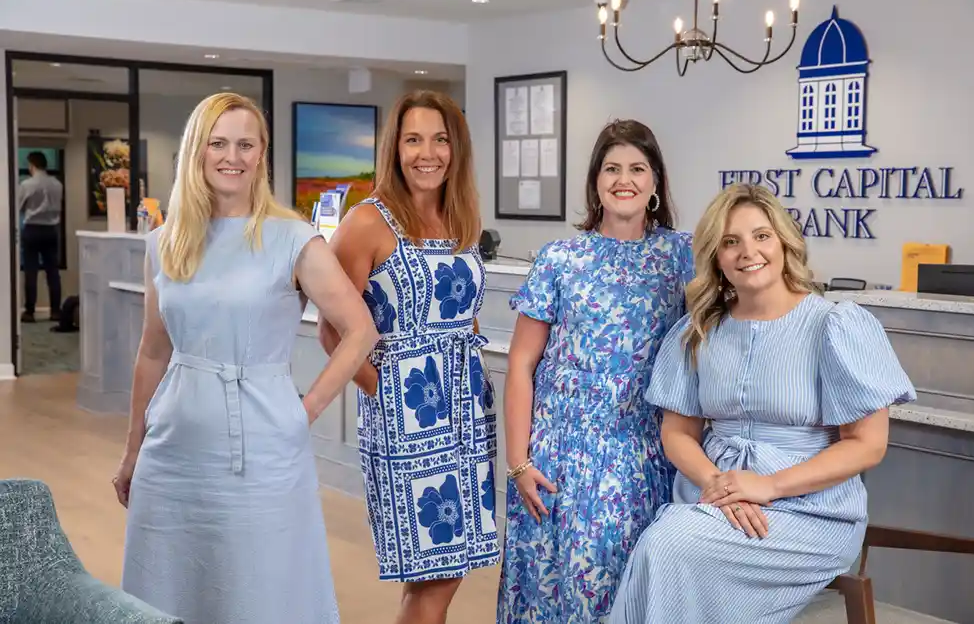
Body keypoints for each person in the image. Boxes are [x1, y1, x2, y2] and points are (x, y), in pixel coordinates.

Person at [112, 92, 379, 624]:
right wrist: (132, 450)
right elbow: (153, 351)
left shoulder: (292, 238)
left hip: (262, 447)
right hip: (173, 450)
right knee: (168, 587)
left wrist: (302, 412)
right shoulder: (165, 242)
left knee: (259, 593)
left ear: (261, 155)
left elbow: (359, 330)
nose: (231, 156)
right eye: (218, 143)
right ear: (197, 151)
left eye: (245, 144)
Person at [609, 183, 917, 624]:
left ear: (785, 242)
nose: (747, 251)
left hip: (810, 510)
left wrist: (767, 487)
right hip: (713, 497)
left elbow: (868, 445)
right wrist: (722, 486)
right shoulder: (697, 332)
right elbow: (677, 432)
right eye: (730, 242)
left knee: (668, 543)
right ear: (716, 256)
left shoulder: (835, 324)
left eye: (761, 236)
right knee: (668, 543)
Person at [498, 119, 695, 624]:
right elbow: (521, 363)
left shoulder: (683, 256)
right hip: (558, 455)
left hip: (641, 454)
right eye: (611, 168)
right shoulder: (560, 258)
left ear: (655, 182)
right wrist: (518, 461)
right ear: (595, 181)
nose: (623, 179)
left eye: (636, 168)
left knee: (624, 598)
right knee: (547, 595)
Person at [318, 89, 498, 624]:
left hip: (468, 412)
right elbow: (333, 332)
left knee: (445, 570)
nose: (428, 153)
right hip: (407, 415)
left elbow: (466, 316)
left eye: (440, 139)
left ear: (456, 148)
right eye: (414, 139)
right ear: (394, 149)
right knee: (434, 576)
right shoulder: (366, 222)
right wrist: (387, 393)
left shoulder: (460, 217)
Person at [17, 151, 64, 323]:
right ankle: (55, 311)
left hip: (32, 229)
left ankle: (29, 312)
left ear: (32, 165)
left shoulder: (27, 184)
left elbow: (19, 207)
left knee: (31, 271)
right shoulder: (57, 184)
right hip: (52, 229)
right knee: (53, 271)